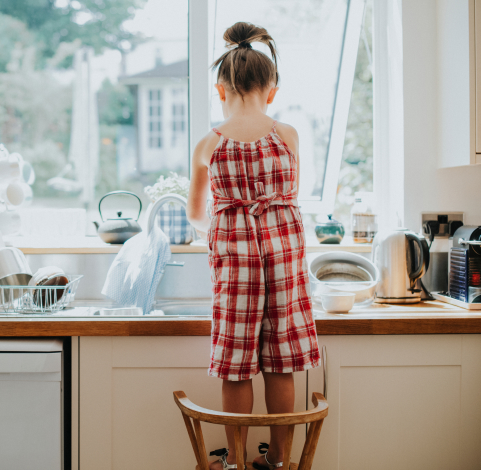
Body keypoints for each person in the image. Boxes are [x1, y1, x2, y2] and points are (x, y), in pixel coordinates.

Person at [186, 22, 321, 470]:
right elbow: (291, 191)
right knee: (280, 361)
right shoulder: (287, 136)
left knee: (236, 363)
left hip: (235, 259)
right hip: (283, 256)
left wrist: (227, 224)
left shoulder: (209, 143)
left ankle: (238, 462)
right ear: (272, 90)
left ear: (220, 91)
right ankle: (281, 460)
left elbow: (193, 213)